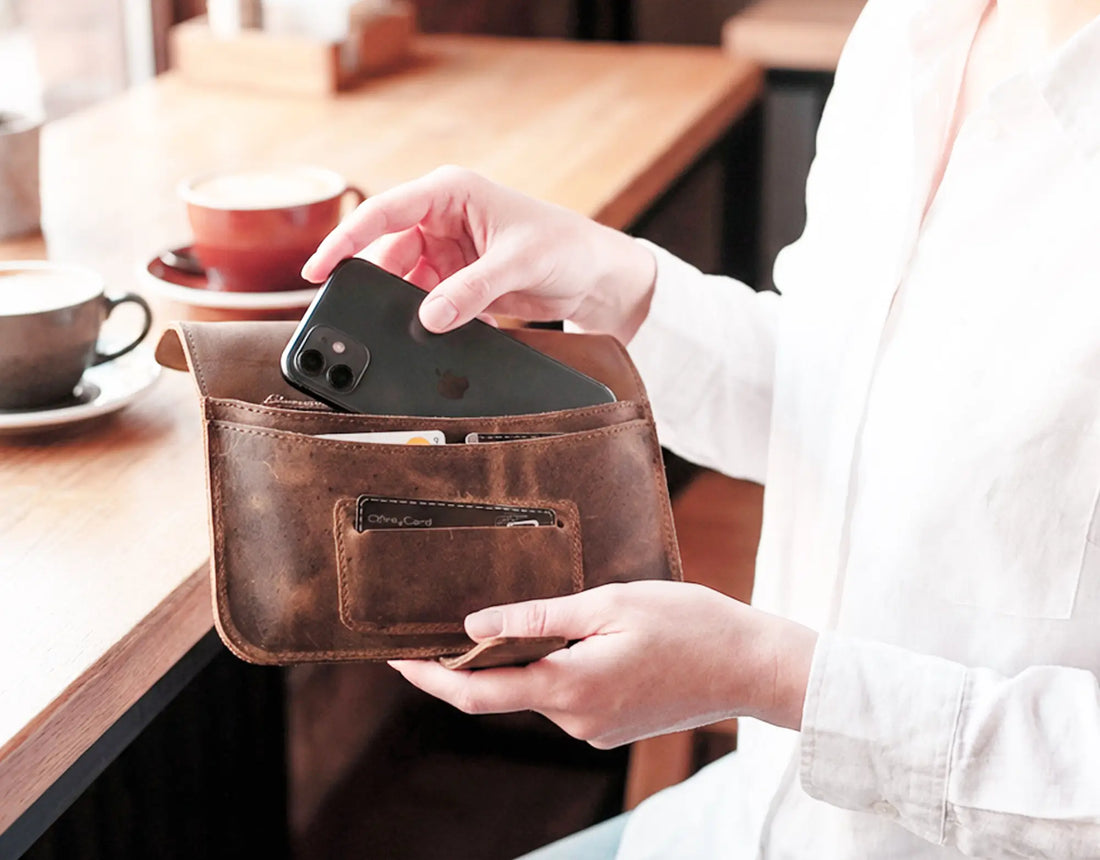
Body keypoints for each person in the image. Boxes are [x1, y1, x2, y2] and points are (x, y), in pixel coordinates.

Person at [302, 0, 1100, 855]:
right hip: (756, 817)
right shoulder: (914, 28)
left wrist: (767, 677)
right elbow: (850, 397)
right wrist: (613, 281)